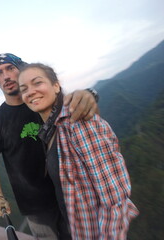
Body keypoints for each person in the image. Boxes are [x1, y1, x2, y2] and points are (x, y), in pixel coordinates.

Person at [0, 53, 99, 239]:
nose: (5, 76)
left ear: (21, 70)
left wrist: (90, 94)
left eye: (10, 68)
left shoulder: (44, 102)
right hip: (35, 206)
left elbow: (72, 103)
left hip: (71, 193)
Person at [18, 63, 139, 239]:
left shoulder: (77, 121)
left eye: (37, 83)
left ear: (56, 85)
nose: (30, 91)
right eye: (24, 89)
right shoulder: (49, 129)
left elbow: (115, 202)